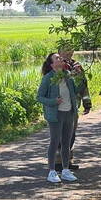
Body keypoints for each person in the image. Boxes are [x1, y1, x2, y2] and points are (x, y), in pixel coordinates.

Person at [37, 53, 79, 183]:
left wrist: (79, 76)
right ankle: (52, 172)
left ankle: (66, 170)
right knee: (55, 142)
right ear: (52, 64)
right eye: (57, 58)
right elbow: (39, 97)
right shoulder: (48, 78)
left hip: (69, 113)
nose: (60, 59)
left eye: (60, 58)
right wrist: (54, 101)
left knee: (67, 143)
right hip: (55, 115)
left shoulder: (67, 76)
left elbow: (76, 91)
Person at [57, 46, 92, 171]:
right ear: (59, 52)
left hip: (74, 105)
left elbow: (84, 85)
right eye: (65, 51)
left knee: (71, 133)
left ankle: (67, 161)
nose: (68, 53)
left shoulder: (77, 66)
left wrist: (87, 103)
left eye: (70, 50)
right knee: (60, 133)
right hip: (60, 106)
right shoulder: (55, 66)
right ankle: (57, 162)